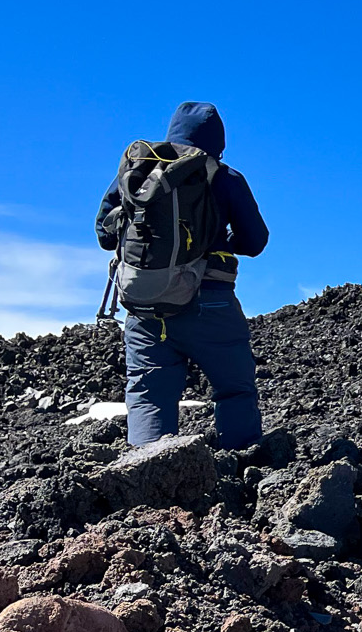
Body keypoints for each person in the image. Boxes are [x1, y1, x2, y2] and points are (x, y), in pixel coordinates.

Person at [96, 102, 271, 449]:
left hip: (144, 305)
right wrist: (218, 239)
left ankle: (147, 482)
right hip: (210, 303)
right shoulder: (225, 177)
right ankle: (242, 474)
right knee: (234, 389)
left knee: (148, 396)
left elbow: (104, 234)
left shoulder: (138, 175)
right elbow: (255, 242)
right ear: (218, 142)